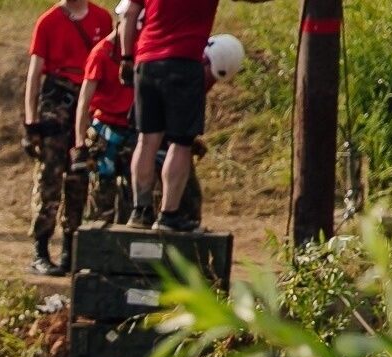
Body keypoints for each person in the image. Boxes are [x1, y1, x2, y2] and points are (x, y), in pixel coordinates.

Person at [118, 0, 263, 232]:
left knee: (146, 140)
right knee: (181, 142)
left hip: (146, 61)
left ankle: (140, 211)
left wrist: (126, 57)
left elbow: (129, 13)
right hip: (183, 61)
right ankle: (168, 214)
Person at [23, 0, 112, 276]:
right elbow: (35, 75)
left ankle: (70, 251)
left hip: (87, 99)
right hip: (56, 101)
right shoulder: (48, 21)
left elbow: (109, 61)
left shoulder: (102, 18)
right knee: (49, 175)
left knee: (79, 175)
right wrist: (30, 122)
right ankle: (40, 250)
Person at [73, 27, 135, 225]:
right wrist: (80, 143)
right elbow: (84, 101)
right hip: (105, 134)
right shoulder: (101, 54)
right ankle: (94, 249)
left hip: (134, 131)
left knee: (133, 198)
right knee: (101, 198)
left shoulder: (142, 48)